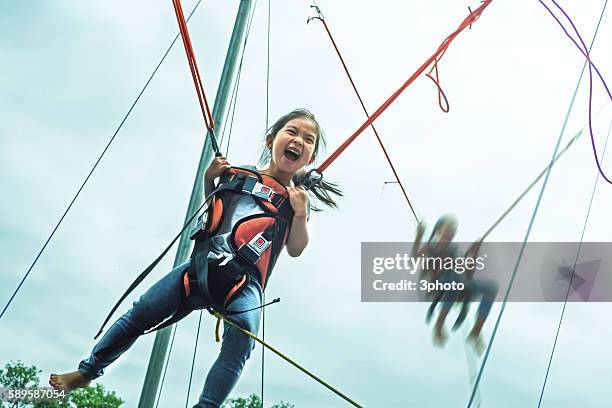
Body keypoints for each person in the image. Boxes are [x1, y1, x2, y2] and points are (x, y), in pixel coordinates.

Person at [49, 109, 341, 407]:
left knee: (244, 335)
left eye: (308, 139)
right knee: (142, 311)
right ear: (271, 140)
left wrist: (301, 212)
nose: (298, 141)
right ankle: (86, 373)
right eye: (292, 132)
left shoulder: (295, 202)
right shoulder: (237, 174)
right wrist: (208, 180)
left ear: (310, 158)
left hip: (244, 281)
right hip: (202, 266)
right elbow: (212, 211)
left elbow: (296, 247)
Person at [411, 215, 497, 354]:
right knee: (454, 281)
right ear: (439, 230)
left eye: (453, 230)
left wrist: (474, 253)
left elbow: (467, 274)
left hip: (459, 288)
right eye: (448, 229)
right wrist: (419, 236)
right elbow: (414, 259)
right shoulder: (430, 247)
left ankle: (476, 331)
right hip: (440, 288)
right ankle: (440, 322)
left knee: (491, 288)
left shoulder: (455, 251)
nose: (451, 233)